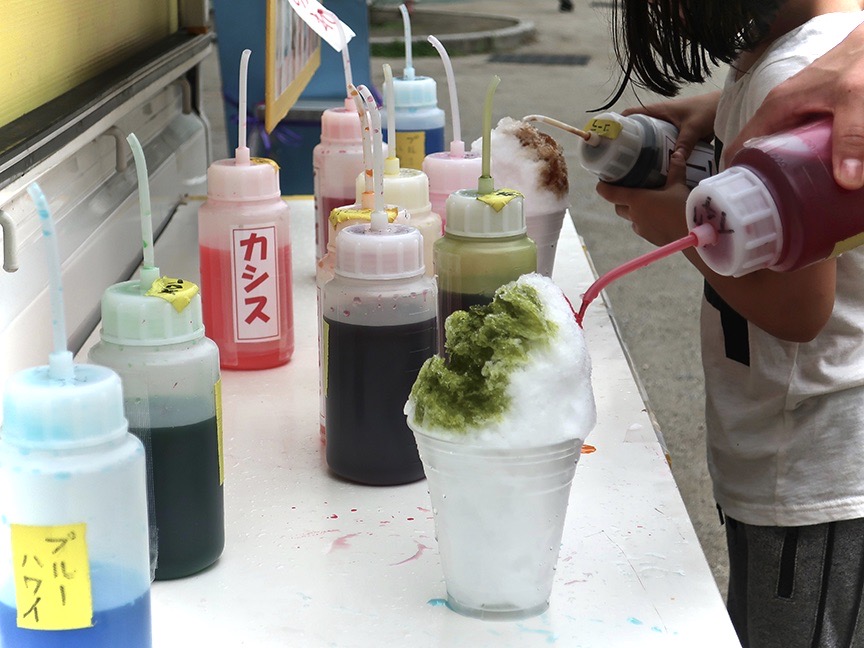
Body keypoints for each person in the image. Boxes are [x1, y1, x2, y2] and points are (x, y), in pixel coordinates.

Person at [595, 2, 864, 647]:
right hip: (788, 454)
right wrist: (723, 107)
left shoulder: (789, 69)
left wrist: (680, 233)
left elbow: (799, 310)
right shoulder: (798, 54)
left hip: (809, 467)